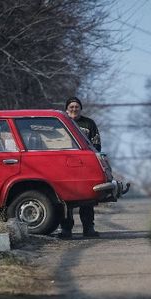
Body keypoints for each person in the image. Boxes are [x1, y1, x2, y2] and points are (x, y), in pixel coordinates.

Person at [59, 96, 102, 238]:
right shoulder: (60, 123)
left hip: (84, 167)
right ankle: (66, 229)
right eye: (71, 107)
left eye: (77, 107)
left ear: (81, 108)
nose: (74, 109)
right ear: (66, 109)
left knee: (87, 198)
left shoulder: (89, 123)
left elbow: (97, 144)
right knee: (64, 199)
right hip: (63, 167)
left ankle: (88, 228)